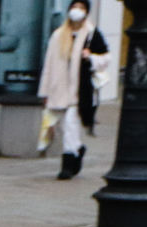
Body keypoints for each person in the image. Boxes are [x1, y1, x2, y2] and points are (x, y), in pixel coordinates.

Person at [39, 0, 113, 181]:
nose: (76, 11)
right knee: (64, 126)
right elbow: (49, 65)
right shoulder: (58, 35)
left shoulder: (92, 34)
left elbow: (106, 58)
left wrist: (91, 57)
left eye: (81, 8)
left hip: (80, 91)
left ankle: (67, 164)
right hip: (59, 89)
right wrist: (45, 92)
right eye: (74, 7)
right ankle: (78, 149)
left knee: (72, 123)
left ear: (86, 12)